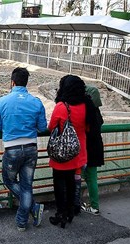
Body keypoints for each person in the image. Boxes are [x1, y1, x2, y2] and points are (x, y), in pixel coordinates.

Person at [0, 67, 47, 232]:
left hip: (12, 149)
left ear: (12, 82)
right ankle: (22, 221)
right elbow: (43, 127)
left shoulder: (1, 102)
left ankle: (32, 208)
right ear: (26, 82)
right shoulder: (36, 102)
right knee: (27, 185)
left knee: (9, 180)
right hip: (31, 148)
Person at [48, 75, 98, 228]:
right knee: (71, 185)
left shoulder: (61, 106)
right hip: (78, 152)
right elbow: (89, 128)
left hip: (62, 154)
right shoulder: (87, 105)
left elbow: (51, 128)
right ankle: (70, 213)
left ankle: (60, 214)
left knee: (59, 185)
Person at [73, 85, 104, 216]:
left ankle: (94, 207)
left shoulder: (87, 113)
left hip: (88, 149)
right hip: (96, 148)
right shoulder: (96, 113)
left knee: (90, 178)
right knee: (90, 177)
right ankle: (92, 204)